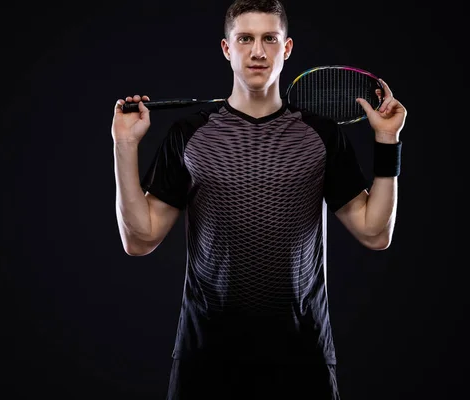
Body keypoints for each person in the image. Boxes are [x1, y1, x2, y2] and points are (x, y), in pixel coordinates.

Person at [111, 0, 407, 398]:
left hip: (302, 356)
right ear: (226, 48)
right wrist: (124, 144)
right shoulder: (189, 135)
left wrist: (387, 141)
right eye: (245, 38)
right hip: (206, 358)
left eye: (269, 38)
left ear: (286, 49)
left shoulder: (321, 136)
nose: (257, 51)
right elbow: (139, 239)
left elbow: (375, 233)